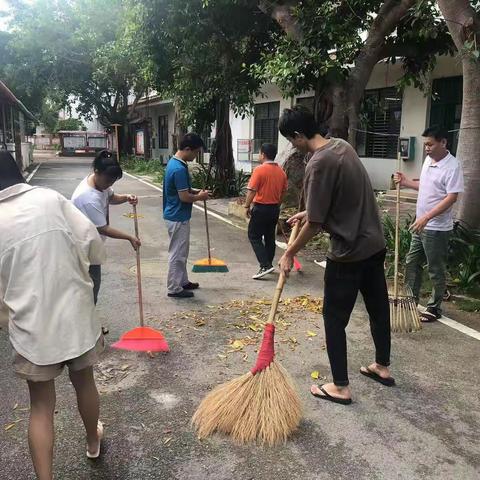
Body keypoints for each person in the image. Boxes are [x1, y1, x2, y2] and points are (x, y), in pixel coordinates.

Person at [0, 151, 106, 480]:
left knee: (41, 406)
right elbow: (92, 244)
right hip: (74, 314)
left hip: (32, 326)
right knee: (84, 382)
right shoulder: (49, 198)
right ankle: (92, 442)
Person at [277, 106, 394, 405]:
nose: (293, 146)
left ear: (299, 135)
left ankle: (340, 387)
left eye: (292, 141)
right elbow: (341, 196)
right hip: (374, 244)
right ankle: (382, 366)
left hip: (349, 253)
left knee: (333, 318)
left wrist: (289, 252)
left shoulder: (317, 164)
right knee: (378, 307)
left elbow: (315, 225)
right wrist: (308, 210)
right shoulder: (342, 146)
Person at [395, 125, 464, 322]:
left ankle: (434, 308)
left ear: (443, 142)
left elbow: (451, 197)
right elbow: (425, 186)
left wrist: (427, 217)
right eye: (425, 144)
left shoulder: (453, 166)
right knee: (412, 262)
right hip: (420, 224)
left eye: (430, 144)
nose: (426, 148)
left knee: (435, 268)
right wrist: (407, 182)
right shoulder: (428, 161)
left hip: (437, 228)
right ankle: (410, 300)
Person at [72, 150, 140, 315]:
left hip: (91, 243)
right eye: (108, 180)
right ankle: (87, 328)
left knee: (91, 289)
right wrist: (129, 237)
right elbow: (103, 228)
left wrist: (126, 197)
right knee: (89, 289)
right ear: (97, 171)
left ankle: (88, 324)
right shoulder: (87, 198)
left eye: (113, 181)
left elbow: (111, 197)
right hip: (82, 249)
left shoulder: (99, 183)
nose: (110, 184)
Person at [163, 133, 209, 298]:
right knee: (177, 253)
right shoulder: (178, 169)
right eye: (196, 153)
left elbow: (182, 190)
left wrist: (197, 191)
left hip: (176, 215)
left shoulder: (175, 163)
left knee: (182, 251)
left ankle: (182, 281)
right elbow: (184, 197)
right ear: (188, 149)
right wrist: (200, 197)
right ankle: (173, 287)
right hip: (177, 216)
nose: (196, 156)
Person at [244, 143, 288, 279]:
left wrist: (246, 206)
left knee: (254, 235)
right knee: (270, 237)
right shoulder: (281, 172)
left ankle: (265, 265)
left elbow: (252, 191)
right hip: (274, 208)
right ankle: (268, 263)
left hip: (261, 208)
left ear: (263, 154)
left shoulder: (259, 170)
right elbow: (283, 192)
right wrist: (277, 205)